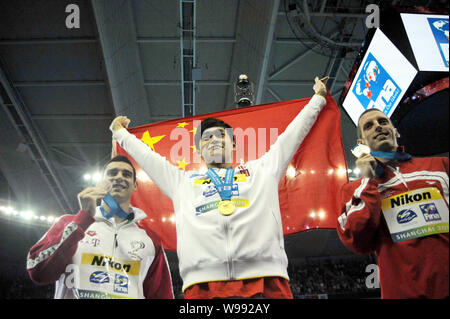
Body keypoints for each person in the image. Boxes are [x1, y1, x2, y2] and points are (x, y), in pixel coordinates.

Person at [109, 77, 329, 299]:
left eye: (221, 136)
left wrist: (318, 99)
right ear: (199, 150)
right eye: (206, 138)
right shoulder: (181, 182)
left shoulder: (262, 170)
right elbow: (148, 157)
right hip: (202, 285)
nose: (214, 140)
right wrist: (120, 133)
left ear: (233, 143)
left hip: (267, 280)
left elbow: (291, 136)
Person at [337, 108, 449, 298]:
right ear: (361, 143)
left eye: (383, 121)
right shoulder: (353, 190)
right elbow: (358, 241)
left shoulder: (441, 167)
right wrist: (368, 180)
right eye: (369, 126)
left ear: (395, 131)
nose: (378, 127)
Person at [26, 155, 174, 299]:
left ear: (135, 185)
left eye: (126, 174)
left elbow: (161, 295)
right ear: (102, 182)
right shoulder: (68, 223)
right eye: (112, 173)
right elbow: (38, 272)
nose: (119, 177)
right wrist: (83, 219)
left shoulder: (149, 239)